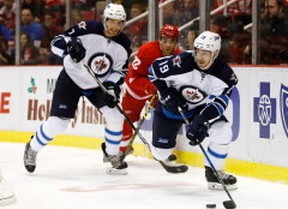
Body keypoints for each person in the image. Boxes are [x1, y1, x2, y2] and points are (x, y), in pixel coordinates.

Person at [23, 3, 131, 174]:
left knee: (116, 116)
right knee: (59, 123)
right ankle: (32, 147)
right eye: (112, 21)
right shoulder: (87, 27)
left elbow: (120, 70)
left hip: (97, 85)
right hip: (72, 78)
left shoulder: (124, 43)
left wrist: (111, 87)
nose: (115, 26)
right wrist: (70, 47)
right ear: (105, 19)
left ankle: (111, 154)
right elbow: (57, 42)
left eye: (120, 23)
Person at [148, 31, 238, 190]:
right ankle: (160, 151)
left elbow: (220, 102)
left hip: (197, 110)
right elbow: (153, 71)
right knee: (160, 154)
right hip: (169, 110)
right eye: (198, 52)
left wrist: (202, 119)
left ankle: (214, 174)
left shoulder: (225, 75)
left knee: (223, 131)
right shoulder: (181, 62)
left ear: (215, 53)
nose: (200, 57)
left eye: (206, 53)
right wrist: (167, 93)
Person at [119, 24, 182, 160]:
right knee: (128, 121)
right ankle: (119, 150)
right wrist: (150, 87)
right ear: (159, 39)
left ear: (176, 42)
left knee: (167, 113)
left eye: (171, 41)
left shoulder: (178, 57)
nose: (167, 45)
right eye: (164, 40)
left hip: (157, 91)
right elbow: (134, 76)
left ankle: (162, 148)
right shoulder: (147, 50)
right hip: (135, 89)